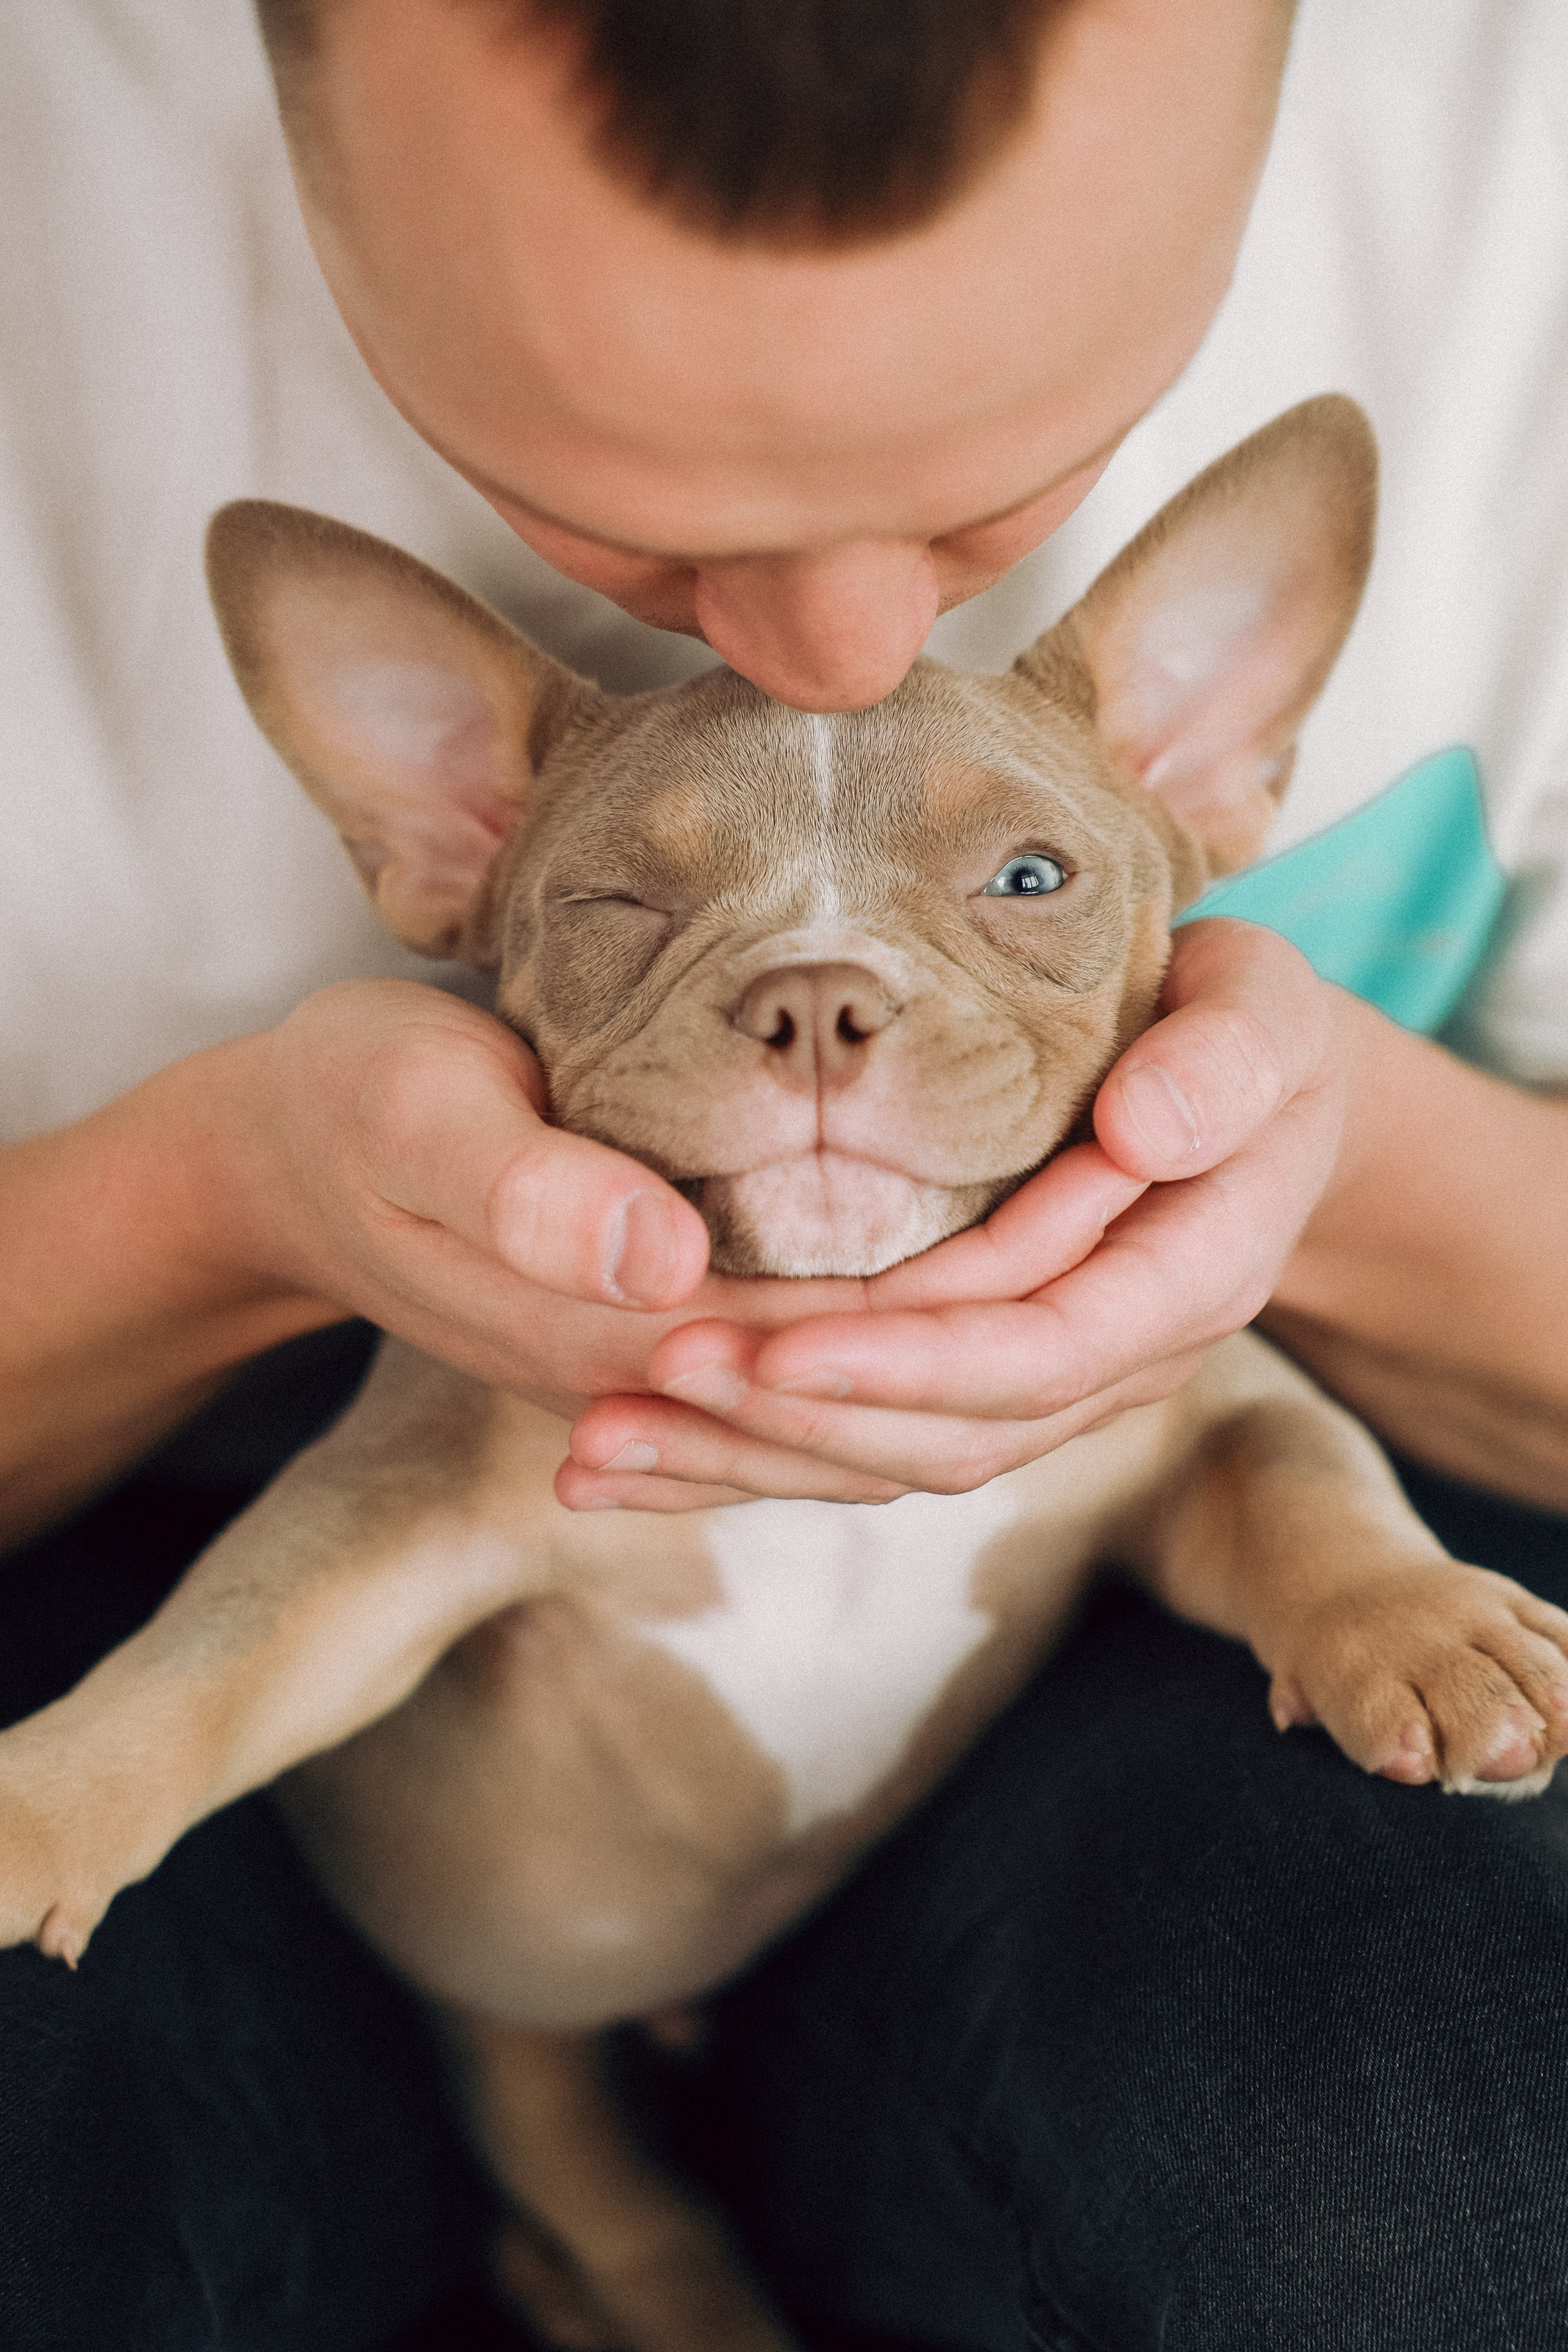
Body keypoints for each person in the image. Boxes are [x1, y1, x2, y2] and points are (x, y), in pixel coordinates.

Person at [1, 0, 1566, 2345]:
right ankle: (584, 2196)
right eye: (622, 503)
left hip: (1074, 1755)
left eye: (1004, 476)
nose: (843, 644)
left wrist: (1331, 1174)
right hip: (407, 1865)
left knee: (1437, 2179)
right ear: (445, 833)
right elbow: (338, 1570)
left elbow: (1243, 1454)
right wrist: (224, 1203)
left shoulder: (1506, 157)